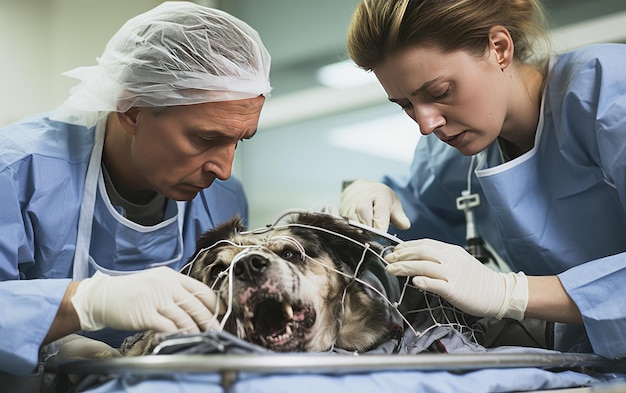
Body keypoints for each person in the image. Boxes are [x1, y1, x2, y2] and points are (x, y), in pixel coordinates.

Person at [340, 0, 626, 359]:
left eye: (440, 92)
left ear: (500, 49)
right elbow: (411, 218)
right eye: (406, 105)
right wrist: (369, 194)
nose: (427, 124)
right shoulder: (451, 158)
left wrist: (509, 292)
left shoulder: (609, 91)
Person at [0, 1, 271, 378]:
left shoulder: (222, 198)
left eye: (240, 141)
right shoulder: (15, 172)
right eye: (206, 138)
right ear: (131, 110)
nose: (224, 170)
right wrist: (83, 306)